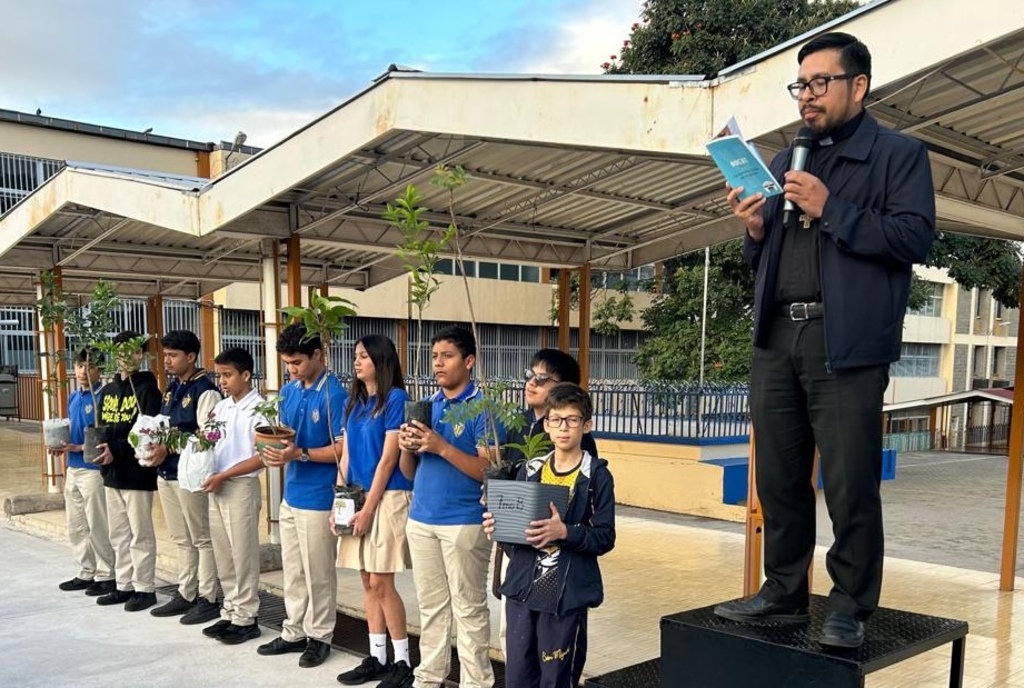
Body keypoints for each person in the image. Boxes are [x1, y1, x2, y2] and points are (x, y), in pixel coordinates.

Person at [712, 32, 935, 649]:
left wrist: (833, 207)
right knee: (778, 480)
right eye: (800, 85)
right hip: (778, 337)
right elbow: (771, 258)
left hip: (847, 344)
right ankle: (783, 592)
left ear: (857, 86)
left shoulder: (899, 156)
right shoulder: (787, 160)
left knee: (847, 483)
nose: (806, 96)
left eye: (819, 83)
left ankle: (849, 605)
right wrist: (756, 228)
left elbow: (914, 239)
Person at [484, 383, 615, 688]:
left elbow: (605, 537)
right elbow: (514, 536)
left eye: (572, 420)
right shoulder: (530, 470)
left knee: (556, 679)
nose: (563, 428)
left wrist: (565, 532)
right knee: (518, 678)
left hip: (565, 597)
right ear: (546, 425)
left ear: (587, 425)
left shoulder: (596, 476)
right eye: (556, 420)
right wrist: (498, 527)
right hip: (522, 592)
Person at [398, 326, 500, 688]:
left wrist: (441, 446)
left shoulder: (484, 409)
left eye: (447, 355)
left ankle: (476, 683)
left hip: (464, 521)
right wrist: (406, 447)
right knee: (430, 607)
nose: (438, 363)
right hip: (422, 518)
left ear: (469, 361)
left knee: (469, 609)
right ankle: (429, 678)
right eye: (434, 356)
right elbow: (409, 472)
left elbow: (490, 471)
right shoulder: (428, 404)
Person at [496, 348, 599, 655]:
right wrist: (497, 510)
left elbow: (592, 517)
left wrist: (564, 531)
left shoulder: (581, 445)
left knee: (553, 647)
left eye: (543, 378)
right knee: (513, 634)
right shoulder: (517, 423)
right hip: (520, 549)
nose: (532, 382)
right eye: (530, 375)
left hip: (560, 561)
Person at [257, 323, 346, 669]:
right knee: (293, 569)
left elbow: (342, 449)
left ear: (318, 355)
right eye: (287, 364)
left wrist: (301, 454)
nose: (291, 370)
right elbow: (281, 435)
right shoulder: (290, 391)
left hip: (319, 495)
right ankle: (293, 630)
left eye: (296, 362)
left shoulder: (335, 394)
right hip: (291, 492)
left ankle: (320, 635)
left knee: (318, 572)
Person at [334, 335, 414, 688]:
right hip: (358, 495)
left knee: (382, 580)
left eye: (364, 356)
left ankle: (402, 662)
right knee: (366, 579)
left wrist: (368, 509)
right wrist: (338, 503)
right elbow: (346, 456)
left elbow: (388, 460)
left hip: (388, 496)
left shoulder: (396, 399)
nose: (357, 362)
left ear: (381, 361)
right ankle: (377, 657)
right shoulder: (354, 403)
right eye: (355, 356)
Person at [149, 330, 223, 625]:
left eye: (173, 355)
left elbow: (206, 437)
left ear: (191, 357)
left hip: (190, 475)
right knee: (181, 538)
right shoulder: (171, 388)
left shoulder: (205, 391)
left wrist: (169, 445)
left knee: (201, 537)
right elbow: (164, 425)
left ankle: (208, 597)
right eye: (165, 355)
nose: (167, 360)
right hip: (166, 471)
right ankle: (186, 591)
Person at [199, 347, 266, 645]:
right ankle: (230, 609)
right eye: (220, 375)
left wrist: (225, 475)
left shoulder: (261, 409)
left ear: (246, 375)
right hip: (218, 484)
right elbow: (209, 441)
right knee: (224, 553)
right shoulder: (223, 407)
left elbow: (262, 456)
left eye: (228, 375)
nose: (223, 382)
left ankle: (247, 617)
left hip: (240, 486)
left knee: (243, 553)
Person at [93, 330, 163, 612]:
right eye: (120, 351)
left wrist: (118, 449)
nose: (126, 357)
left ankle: (145, 587)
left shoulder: (148, 390)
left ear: (141, 355)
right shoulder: (109, 391)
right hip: (111, 473)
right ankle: (124, 584)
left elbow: (148, 432)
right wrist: (101, 449)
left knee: (140, 533)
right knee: (118, 533)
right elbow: (102, 429)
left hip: (137, 474)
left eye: (133, 351)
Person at [55, 349, 115, 597]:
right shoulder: (73, 397)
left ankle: (107, 574)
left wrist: (80, 447)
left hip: (93, 469)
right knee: (76, 524)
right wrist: (62, 444)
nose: (82, 372)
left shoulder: (102, 396)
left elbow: (103, 435)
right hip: (73, 467)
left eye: (88, 367)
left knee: (97, 523)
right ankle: (86, 570)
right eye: (79, 366)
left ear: (99, 370)